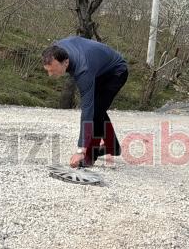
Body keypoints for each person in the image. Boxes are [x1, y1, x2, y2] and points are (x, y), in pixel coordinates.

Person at [42, 36, 129, 168]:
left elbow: (88, 108)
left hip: (116, 71)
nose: (50, 74)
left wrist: (81, 149)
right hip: (98, 70)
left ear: (66, 62)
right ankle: (112, 147)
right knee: (98, 109)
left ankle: (87, 157)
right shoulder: (55, 49)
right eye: (48, 70)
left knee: (95, 112)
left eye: (53, 70)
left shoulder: (83, 69)